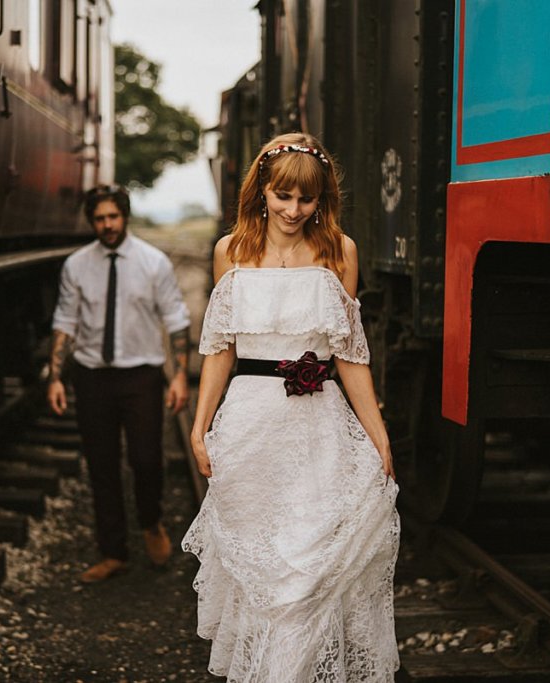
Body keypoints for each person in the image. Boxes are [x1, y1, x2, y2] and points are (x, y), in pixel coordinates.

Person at [182, 133, 400, 681]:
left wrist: (378, 435)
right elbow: (219, 350)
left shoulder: (339, 251)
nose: (293, 211)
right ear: (263, 191)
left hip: (318, 425)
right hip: (251, 427)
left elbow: (350, 356)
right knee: (262, 571)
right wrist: (200, 427)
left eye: (306, 200)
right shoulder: (230, 251)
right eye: (283, 196)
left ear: (321, 199)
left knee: (310, 569)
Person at [48, 184, 191, 584]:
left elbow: (177, 321)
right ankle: (113, 552)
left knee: (146, 460)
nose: (107, 225)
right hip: (91, 375)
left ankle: (151, 522)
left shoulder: (153, 262)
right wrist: (55, 377)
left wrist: (179, 375)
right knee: (101, 465)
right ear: (91, 222)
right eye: (99, 219)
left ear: (124, 215)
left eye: (112, 217)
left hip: (141, 376)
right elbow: (65, 323)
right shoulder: (77, 265)